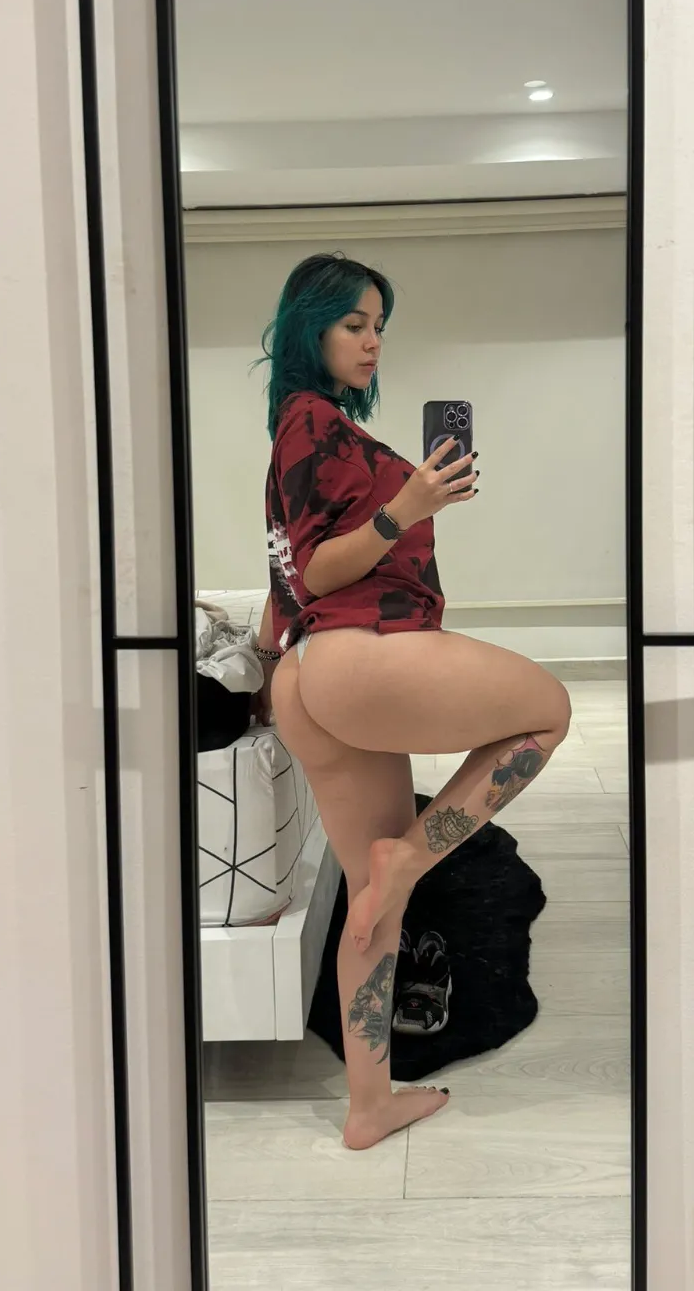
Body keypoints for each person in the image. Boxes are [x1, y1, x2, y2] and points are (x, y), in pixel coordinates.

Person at [252, 252, 571, 1151]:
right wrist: (410, 502)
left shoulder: (297, 429)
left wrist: (272, 669)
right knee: (547, 713)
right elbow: (321, 569)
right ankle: (412, 861)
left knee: (370, 899)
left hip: (312, 673)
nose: (372, 342)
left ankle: (369, 1105)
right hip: (360, 653)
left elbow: (284, 575)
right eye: (354, 323)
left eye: (379, 327)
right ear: (309, 327)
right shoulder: (313, 420)